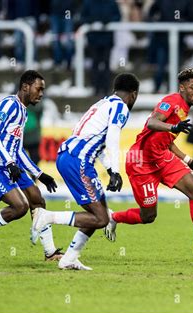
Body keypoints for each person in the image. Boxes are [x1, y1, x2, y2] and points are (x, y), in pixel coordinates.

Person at [32, 73, 140, 271]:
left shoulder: (101, 104)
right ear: (133, 95)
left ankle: (69, 258)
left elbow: (91, 137)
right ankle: (47, 217)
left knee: (98, 212)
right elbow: (112, 138)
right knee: (101, 218)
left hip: (69, 155)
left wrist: (108, 167)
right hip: (78, 160)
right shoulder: (120, 107)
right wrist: (116, 171)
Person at [105, 68, 193, 263]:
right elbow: (152, 123)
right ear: (182, 88)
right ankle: (114, 217)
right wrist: (174, 126)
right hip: (141, 162)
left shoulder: (185, 108)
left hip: (162, 158)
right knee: (148, 216)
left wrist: (190, 161)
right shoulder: (171, 101)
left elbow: (166, 141)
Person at [0, 70, 61, 262]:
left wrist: (40, 173)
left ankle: (50, 252)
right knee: (20, 207)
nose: (42, 93)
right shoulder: (9, 105)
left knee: (37, 198)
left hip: (9, 164)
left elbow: (18, 150)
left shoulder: (23, 112)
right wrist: (10, 162)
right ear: (26, 87)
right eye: (39, 88)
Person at [80, 0, 121, 96]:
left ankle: (106, 88)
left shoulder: (111, 3)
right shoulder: (88, 3)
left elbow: (117, 16)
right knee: (95, 64)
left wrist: (108, 21)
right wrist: (92, 22)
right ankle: (96, 88)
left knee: (106, 64)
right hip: (93, 40)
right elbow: (83, 17)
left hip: (107, 39)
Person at [50, 0, 75, 70]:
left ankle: (68, 62)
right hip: (55, 13)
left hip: (67, 12)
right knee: (55, 40)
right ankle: (58, 62)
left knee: (68, 40)